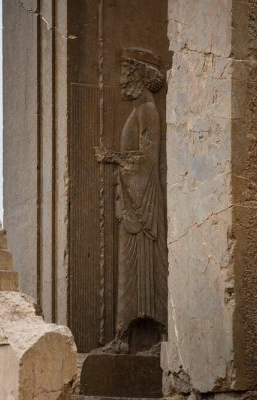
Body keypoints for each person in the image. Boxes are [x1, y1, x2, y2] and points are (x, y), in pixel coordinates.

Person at [95, 47, 168, 340]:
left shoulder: (148, 111)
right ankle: (124, 334)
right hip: (131, 204)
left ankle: (156, 333)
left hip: (143, 205)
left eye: (126, 74)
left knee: (145, 267)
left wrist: (113, 157)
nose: (121, 81)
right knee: (128, 272)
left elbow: (149, 158)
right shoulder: (137, 112)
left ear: (139, 76)